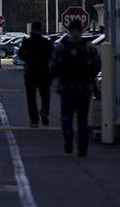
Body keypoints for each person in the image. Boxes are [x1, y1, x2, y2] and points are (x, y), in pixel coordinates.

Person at [51, 19, 101, 157]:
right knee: (82, 118)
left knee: (66, 115)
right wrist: (90, 79)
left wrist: (58, 79)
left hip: (67, 87)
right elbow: (97, 65)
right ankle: (83, 148)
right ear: (81, 29)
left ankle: (68, 135)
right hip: (84, 87)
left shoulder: (62, 46)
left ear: (69, 29)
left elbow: (54, 65)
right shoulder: (88, 47)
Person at [17, 21, 53, 127]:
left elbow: (20, 54)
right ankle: (45, 110)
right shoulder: (45, 42)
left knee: (31, 97)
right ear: (40, 29)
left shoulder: (27, 42)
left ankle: (34, 119)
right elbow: (51, 55)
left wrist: (27, 60)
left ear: (32, 29)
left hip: (31, 72)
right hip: (44, 72)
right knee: (45, 94)